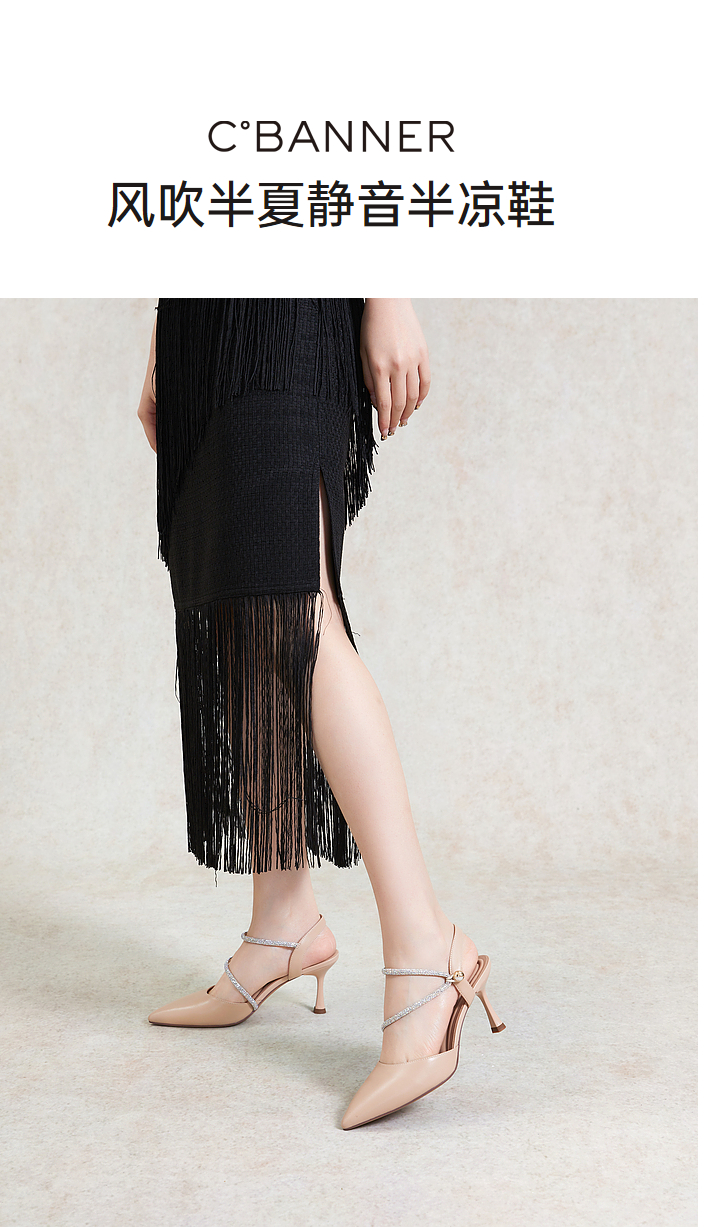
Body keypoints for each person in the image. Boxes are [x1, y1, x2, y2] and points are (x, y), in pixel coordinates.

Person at [137, 298, 504, 1129]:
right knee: (242, 604)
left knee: (295, 607)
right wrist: (164, 329)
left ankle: (427, 947)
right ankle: (283, 921)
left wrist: (388, 291)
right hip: (202, 313)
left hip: (291, 301)